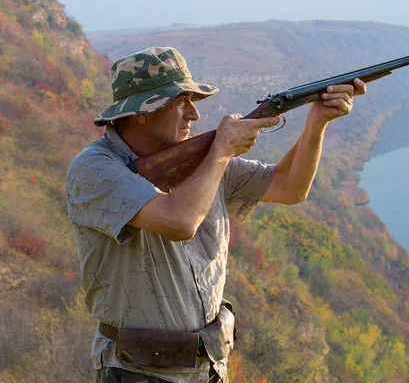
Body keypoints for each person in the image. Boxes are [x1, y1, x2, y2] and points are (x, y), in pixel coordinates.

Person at [65, 47, 366, 383]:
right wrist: (221, 151)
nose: (193, 114)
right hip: (137, 372)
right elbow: (179, 223)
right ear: (141, 112)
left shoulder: (201, 160)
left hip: (208, 368)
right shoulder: (94, 169)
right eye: (180, 102)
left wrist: (317, 122)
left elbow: (290, 188)